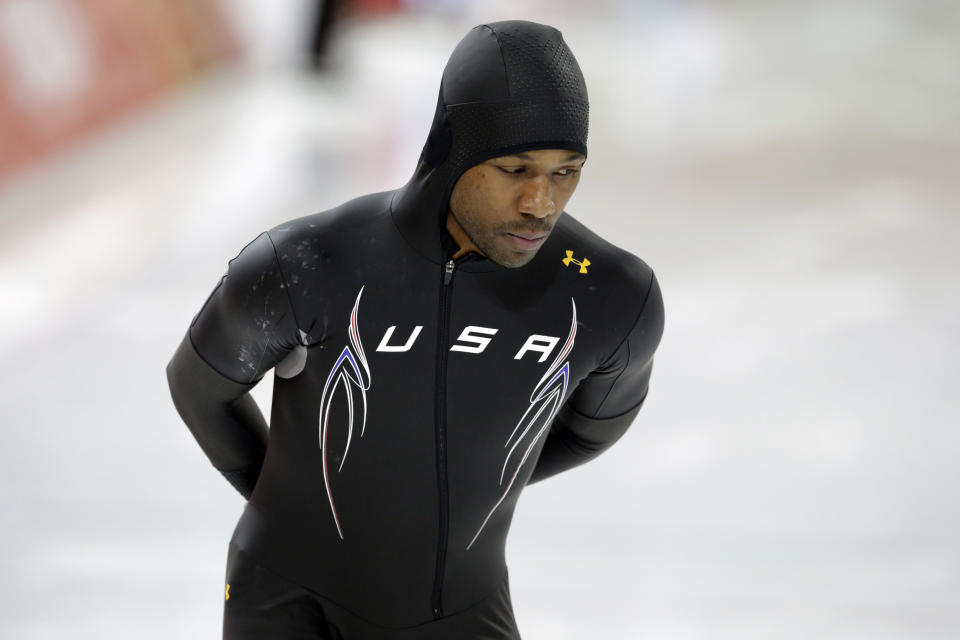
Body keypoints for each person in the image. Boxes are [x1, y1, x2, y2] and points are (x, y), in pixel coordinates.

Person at [166, 19, 664, 640]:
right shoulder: (309, 263)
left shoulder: (610, 294)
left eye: (567, 170)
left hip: (457, 609)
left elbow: (591, 433)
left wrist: (452, 489)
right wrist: (289, 505)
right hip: (283, 599)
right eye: (514, 169)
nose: (541, 201)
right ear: (456, 151)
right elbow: (198, 385)